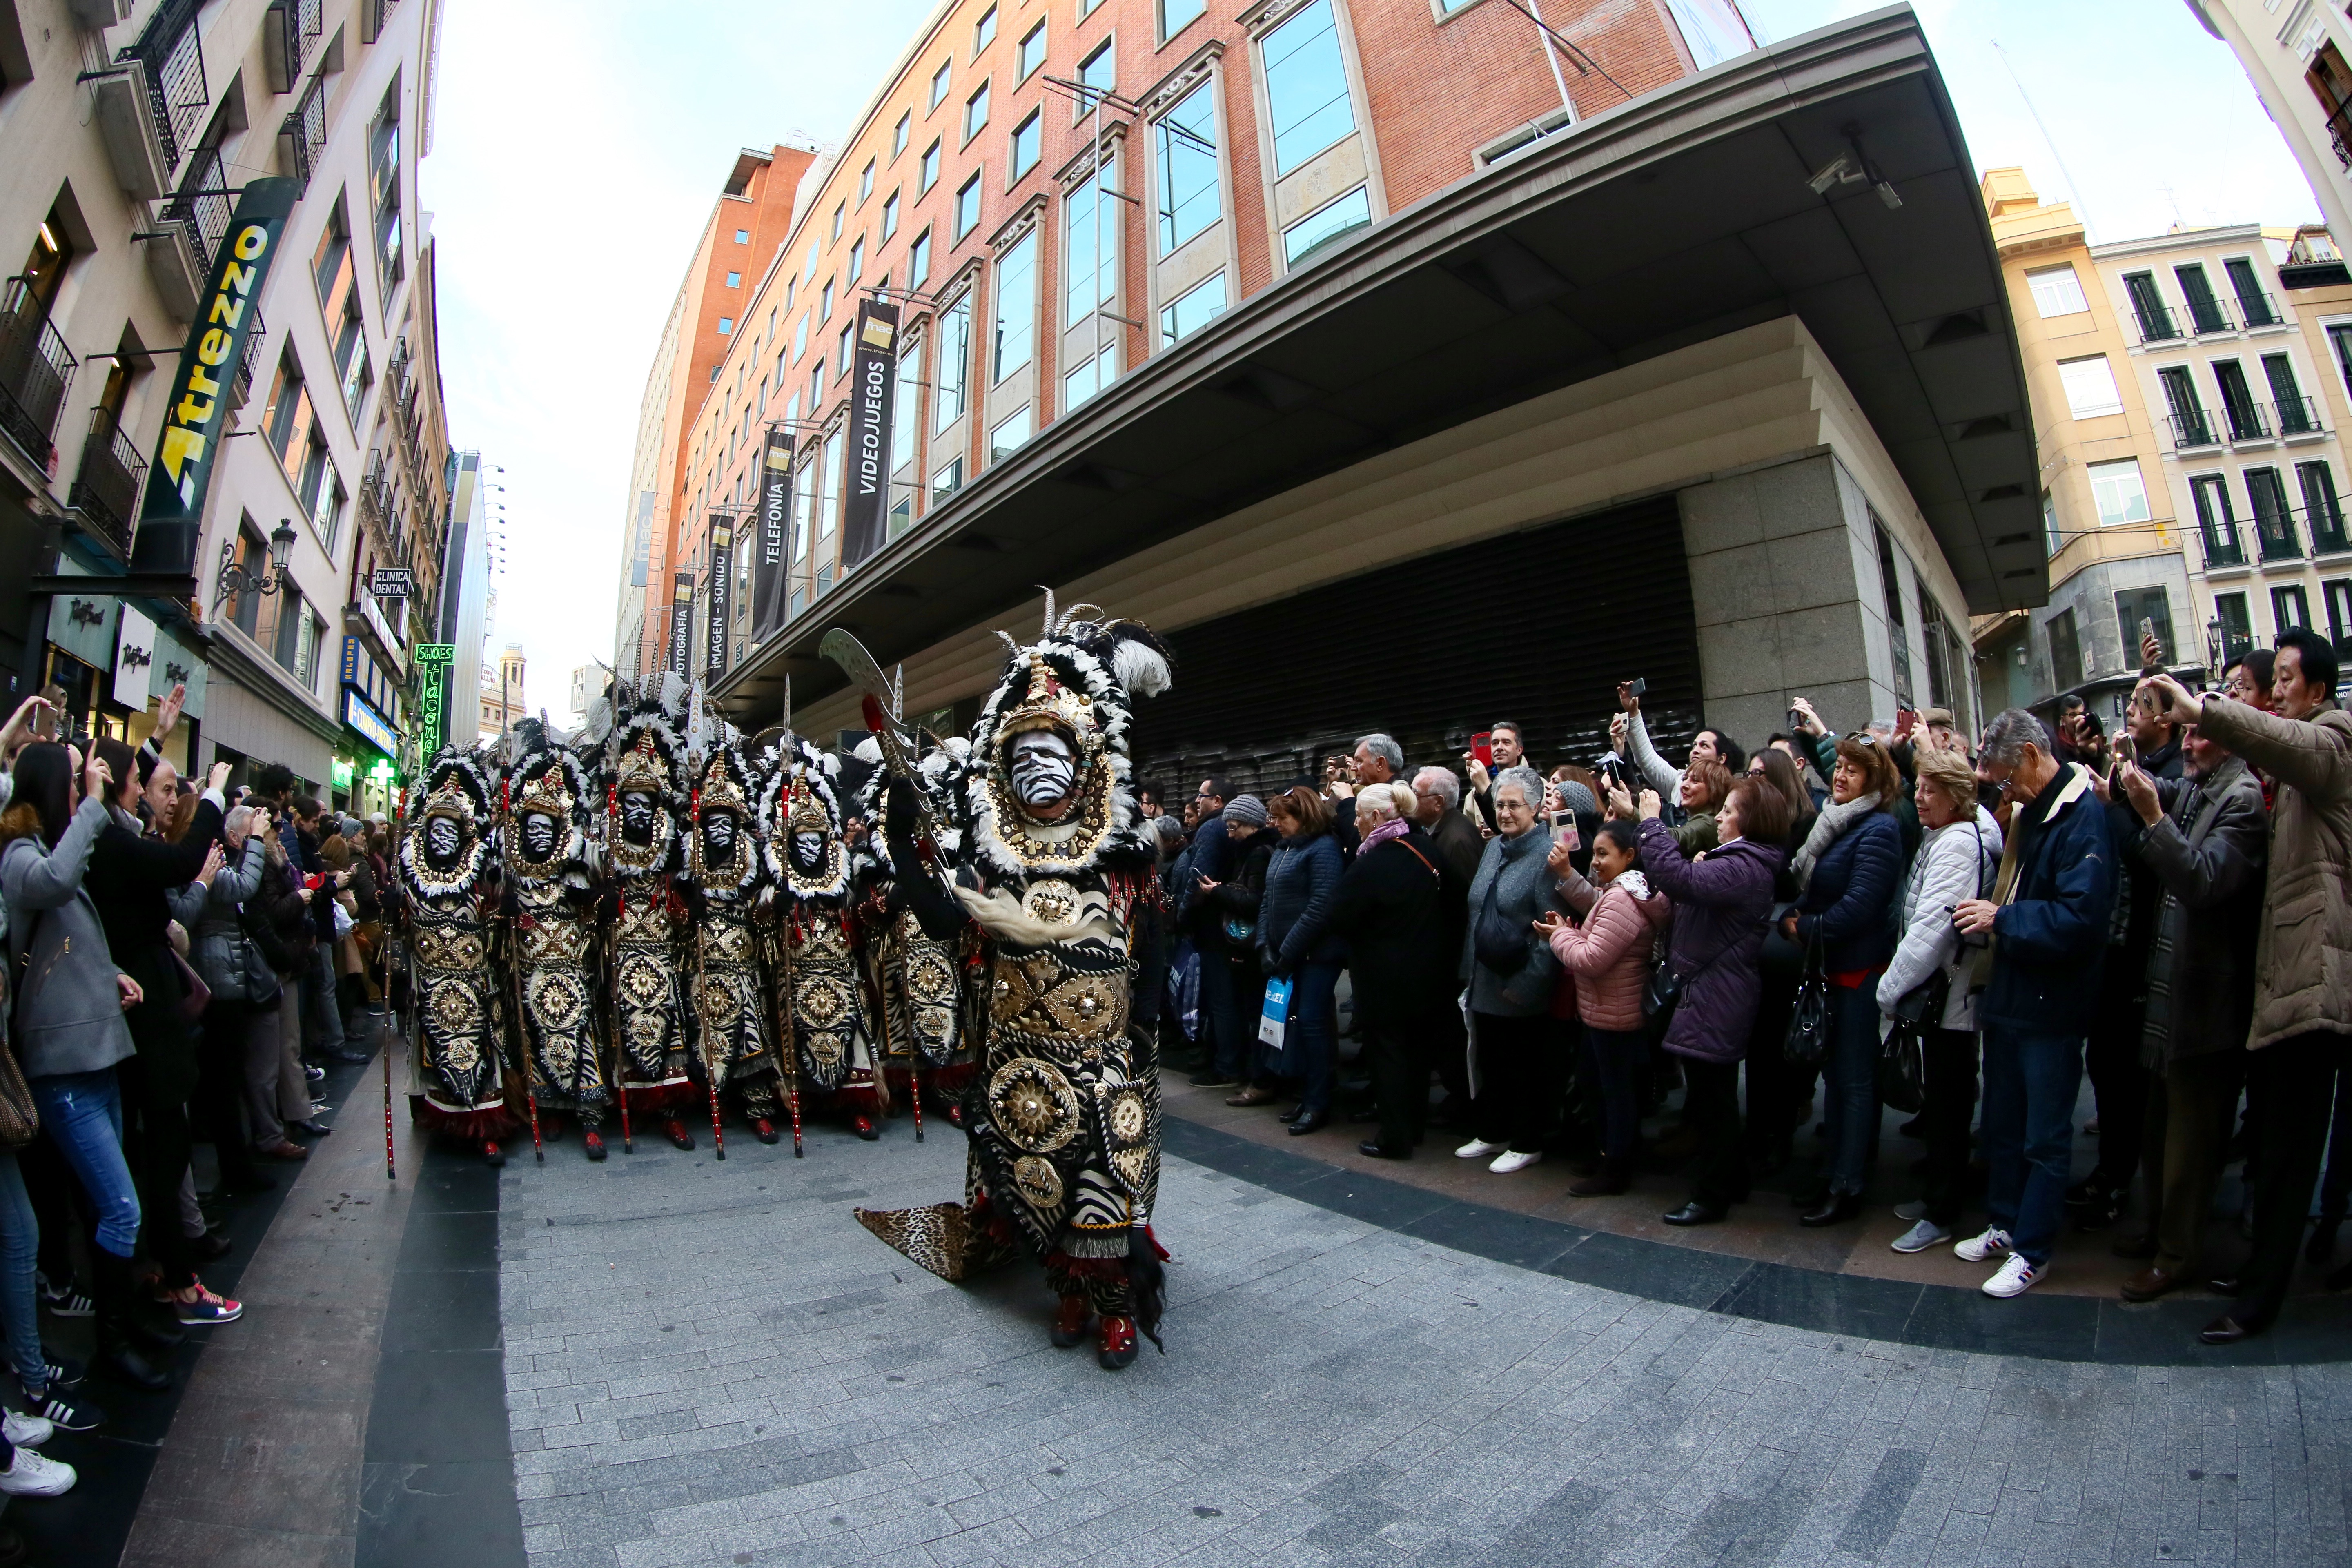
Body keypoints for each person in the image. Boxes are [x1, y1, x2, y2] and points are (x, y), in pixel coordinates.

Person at [868, 608, 1174, 1372]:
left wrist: (1145, 1029)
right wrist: (906, 837)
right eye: (1025, 754)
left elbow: (1154, 945)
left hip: (1103, 1063)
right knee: (1037, 1184)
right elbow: (942, 920)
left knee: (1106, 1182)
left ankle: (1113, 1308)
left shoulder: (1121, 858)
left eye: (1056, 751)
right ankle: (1065, 1290)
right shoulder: (995, 864)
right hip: (1017, 1067)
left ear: (1087, 762)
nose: (1042, 768)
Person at [2137, 629, 2351, 1342]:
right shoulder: (2285, 770)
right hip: (2289, 980)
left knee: (2293, 1151)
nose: (2277, 689)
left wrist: (2202, 711)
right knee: (2279, 1147)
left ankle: (2260, 1300)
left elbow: (2283, 746)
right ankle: (2263, 1273)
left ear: (2317, 691)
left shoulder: (2333, 741)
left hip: (2315, 983)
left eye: (2285, 679)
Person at [0, 742, 171, 1391]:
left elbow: (72, 947)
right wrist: (98, 808)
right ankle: (112, 1340)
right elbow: (57, 886)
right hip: (60, 1068)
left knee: (114, 1206)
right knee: (120, 1208)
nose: (81, 793)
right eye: (73, 784)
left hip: (97, 1055)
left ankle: (121, 1325)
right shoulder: (22, 858)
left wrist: (113, 976)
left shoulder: (45, 852)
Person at [1953, 708, 2114, 1298]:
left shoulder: (2081, 816)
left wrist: (2004, 917)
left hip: (2052, 1001)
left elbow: (2081, 916)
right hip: (2012, 992)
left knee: (2046, 1134)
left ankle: (2035, 1248)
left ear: (2028, 756)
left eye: (2005, 778)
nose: (2005, 790)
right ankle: (2006, 1221)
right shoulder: (2032, 811)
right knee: (2003, 1121)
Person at [2105, 709, 2264, 1301]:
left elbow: (2200, 881)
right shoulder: (2202, 785)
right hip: (2172, 996)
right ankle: (2155, 1230)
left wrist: (2148, 813)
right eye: (2189, 732)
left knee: (2190, 1148)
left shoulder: (2243, 802)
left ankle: (2177, 1255)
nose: (2189, 745)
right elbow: (2165, 788)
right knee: (2158, 1129)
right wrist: (2123, 776)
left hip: (2207, 1001)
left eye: (2199, 734)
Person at [84, 740, 243, 1324]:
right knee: (162, 1150)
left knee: (156, 1152)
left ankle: (161, 1269)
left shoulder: (116, 836)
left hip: (147, 1006)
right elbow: (178, 869)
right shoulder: (109, 841)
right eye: (148, 782)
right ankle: (174, 1280)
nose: (166, 797)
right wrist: (215, 799)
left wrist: (157, 735)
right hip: (145, 1017)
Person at [1629, 775, 1789, 1224]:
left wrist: (1650, 825)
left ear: (1750, 821)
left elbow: (1676, 878)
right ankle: (1729, 1181)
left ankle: (1711, 1195)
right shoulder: (1741, 860)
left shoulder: (1744, 864)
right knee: (1710, 1098)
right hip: (1715, 991)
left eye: (1729, 812)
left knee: (1712, 1103)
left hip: (1716, 994)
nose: (1720, 818)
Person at [1877, 748, 2001, 1253]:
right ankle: (1938, 1199)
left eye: (1930, 790)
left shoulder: (1955, 846)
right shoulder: (1948, 835)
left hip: (1951, 998)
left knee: (1949, 1105)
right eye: (1918, 787)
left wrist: (1888, 991)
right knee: (1949, 1099)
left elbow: (1932, 929)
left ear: (1956, 797)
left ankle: (1942, 1211)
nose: (1919, 797)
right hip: (1950, 996)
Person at [2071, 683, 2185, 1232]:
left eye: (2141, 707)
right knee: (2108, 1067)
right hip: (2115, 944)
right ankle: (2114, 1173)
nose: (2131, 714)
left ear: (2169, 722)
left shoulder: (2175, 777)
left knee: (2124, 1078)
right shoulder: (2139, 766)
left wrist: (2116, 805)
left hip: (2142, 948)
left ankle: (2121, 1181)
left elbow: (2149, 849)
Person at [1782, 732, 1905, 1227]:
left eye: (1853, 771)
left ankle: (1848, 1184)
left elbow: (1859, 907)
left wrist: (1805, 928)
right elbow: (1813, 888)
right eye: (1840, 768)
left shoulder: (1878, 830)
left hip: (1858, 970)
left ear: (1874, 780)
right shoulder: (1834, 823)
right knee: (1835, 1077)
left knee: (1854, 1082)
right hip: (1828, 967)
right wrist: (1796, 914)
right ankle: (1834, 1170)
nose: (1841, 775)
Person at [1539, 817, 1670, 1195]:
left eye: (1603, 854)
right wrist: (1570, 930)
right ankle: (1608, 1157)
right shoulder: (1623, 892)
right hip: (1606, 1010)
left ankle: (1616, 1168)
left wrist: (1561, 935)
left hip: (1615, 1014)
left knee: (1615, 1094)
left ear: (1629, 856)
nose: (1595, 862)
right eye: (1594, 853)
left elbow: (1593, 958)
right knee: (1598, 1085)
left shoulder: (1622, 898)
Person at [1325, 782, 1451, 1160]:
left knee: (1389, 1057)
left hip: (1384, 978)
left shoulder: (1372, 864)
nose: (1358, 825)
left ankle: (1395, 1137)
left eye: (1361, 817)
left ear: (1378, 817)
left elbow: (1337, 916)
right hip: (1429, 973)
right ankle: (1414, 1128)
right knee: (1417, 1056)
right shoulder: (1425, 847)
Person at [1454, 768, 1565, 1175]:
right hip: (1484, 976)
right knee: (1493, 1061)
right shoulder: (1494, 847)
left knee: (1524, 1066)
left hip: (1520, 979)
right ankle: (1493, 1131)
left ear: (1535, 808)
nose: (1504, 813)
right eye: (1499, 804)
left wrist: (1531, 983)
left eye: (1513, 805)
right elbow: (1477, 909)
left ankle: (1526, 1140)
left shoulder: (1548, 854)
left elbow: (1551, 929)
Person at [1255, 787, 1346, 1135]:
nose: (1275, 824)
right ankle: (1308, 1093)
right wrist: (1264, 944)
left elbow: (1320, 906)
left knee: (1312, 1023)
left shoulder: (1323, 850)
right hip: (1288, 955)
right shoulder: (1284, 849)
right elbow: (1268, 900)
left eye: (1283, 818)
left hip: (1317, 955)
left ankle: (1318, 1100)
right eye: (1274, 817)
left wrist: (1286, 951)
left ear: (1304, 817)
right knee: (1300, 1024)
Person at [1410, 766, 1480, 1126]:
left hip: (1454, 958)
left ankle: (1463, 1103)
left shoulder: (1455, 839)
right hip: (1447, 954)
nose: (1410, 801)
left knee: (1454, 1033)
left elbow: (1462, 903)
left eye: (1417, 795)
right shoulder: (1441, 832)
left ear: (1437, 803)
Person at [1202, 797, 1276, 1105]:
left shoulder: (1258, 854)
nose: (1230, 834)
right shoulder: (1252, 851)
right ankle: (1257, 1075)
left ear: (1252, 824)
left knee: (1257, 1014)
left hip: (1253, 947)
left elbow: (1254, 902)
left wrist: (1218, 892)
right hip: (1252, 948)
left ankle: (1261, 1080)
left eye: (1235, 828)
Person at [1180, 777, 1244, 1090]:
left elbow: (1198, 877)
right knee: (1225, 997)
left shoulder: (1211, 828)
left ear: (1217, 801)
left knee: (1221, 997)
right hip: (1227, 924)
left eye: (1201, 796)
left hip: (1212, 925)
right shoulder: (1229, 828)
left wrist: (1183, 915)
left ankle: (1226, 1066)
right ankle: (1222, 1057)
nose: (1197, 801)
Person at [1615, 680, 1746, 801]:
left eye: (1704, 746)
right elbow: (1647, 760)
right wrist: (1633, 714)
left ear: (1722, 758)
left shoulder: (1733, 794)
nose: (1696, 751)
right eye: (1694, 746)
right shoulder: (1678, 781)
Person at [1462, 721, 1530, 833]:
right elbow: (1467, 834)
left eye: (1506, 742)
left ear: (1519, 750)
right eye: (1495, 743)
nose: (1499, 748)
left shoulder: (1538, 785)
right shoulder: (1474, 795)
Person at [1666, 759, 1732, 857]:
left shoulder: (1710, 822)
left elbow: (1672, 840)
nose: (1684, 785)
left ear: (1715, 790)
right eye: (1685, 779)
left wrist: (1648, 817)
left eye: (1695, 781)